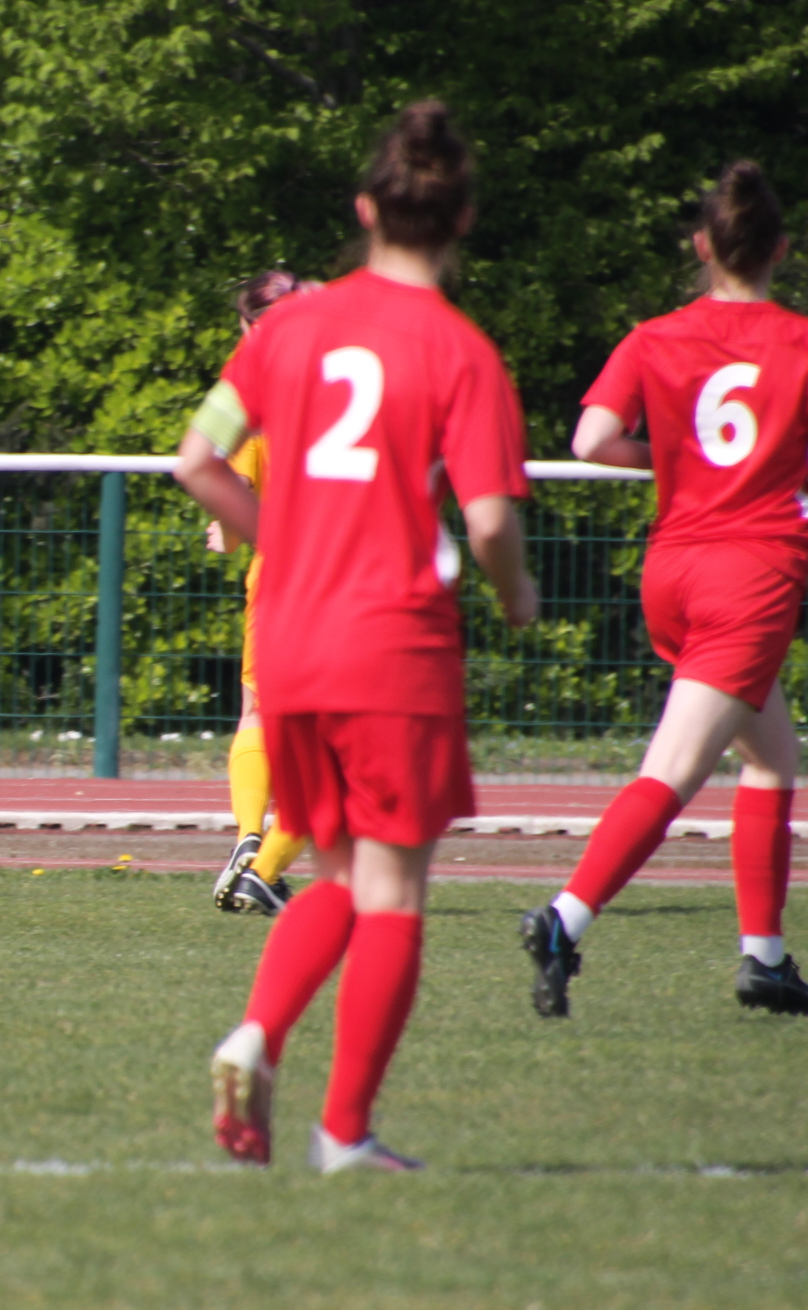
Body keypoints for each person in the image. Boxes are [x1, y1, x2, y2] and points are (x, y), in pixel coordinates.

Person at [175, 101, 539, 1172]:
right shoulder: (463, 350)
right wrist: (516, 593)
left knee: (338, 874)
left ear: (366, 209)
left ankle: (258, 1032)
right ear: (461, 219)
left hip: (292, 632)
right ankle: (343, 1131)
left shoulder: (286, 330)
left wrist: (284, 539)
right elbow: (488, 521)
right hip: (391, 641)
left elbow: (196, 459)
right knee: (394, 892)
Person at [520, 161, 808, 1019]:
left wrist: (675, 457)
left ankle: (766, 961)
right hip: (749, 575)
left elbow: (591, 440)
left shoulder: (654, 337)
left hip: (673, 570)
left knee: (772, 757)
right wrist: (783, 457)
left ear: (703, 246)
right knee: (674, 771)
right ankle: (565, 920)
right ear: (780, 249)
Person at [207, 270, 321, 917]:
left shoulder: (248, 384)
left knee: (257, 711)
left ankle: (251, 836)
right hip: (353, 575)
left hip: (277, 575)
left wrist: (228, 529)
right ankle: (267, 866)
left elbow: (215, 470)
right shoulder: (349, 368)